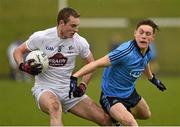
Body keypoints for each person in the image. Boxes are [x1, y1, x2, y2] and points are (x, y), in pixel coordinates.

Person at [13, 7, 112, 126]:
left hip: (68, 90)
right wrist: (22, 66)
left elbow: (92, 65)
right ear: (61, 23)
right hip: (45, 88)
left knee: (105, 119)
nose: (76, 30)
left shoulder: (79, 42)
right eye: (73, 26)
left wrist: (83, 85)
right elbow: (18, 51)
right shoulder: (42, 37)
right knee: (55, 108)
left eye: (77, 26)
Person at [69, 19, 167, 126]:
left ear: (152, 38)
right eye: (141, 32)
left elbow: (144, 62)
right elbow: (96, 64)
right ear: (135, 33)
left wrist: (152, 79)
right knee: (131, 123)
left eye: (148, 34)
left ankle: (117, 117)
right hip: (111, 96)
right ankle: (117, 116)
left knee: (146, 114)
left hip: (129, 93)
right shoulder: (125, 52)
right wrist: (75, 77)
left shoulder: (147, 51)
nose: (143, 36)